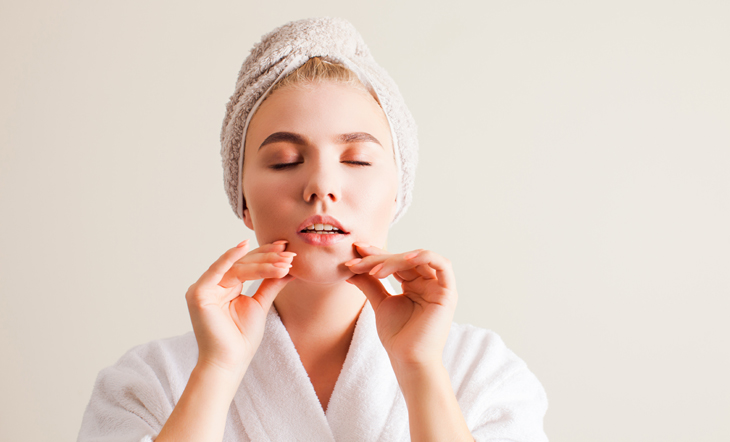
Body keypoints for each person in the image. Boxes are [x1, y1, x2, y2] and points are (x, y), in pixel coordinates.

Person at [78, 17, 548, 442]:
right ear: (243, 200)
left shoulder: (482, 374)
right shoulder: (147, 383)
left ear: (398, 193)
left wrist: (421, 369)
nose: (321, 185)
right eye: (285, 161)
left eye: (357, 160)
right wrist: (217, 371)